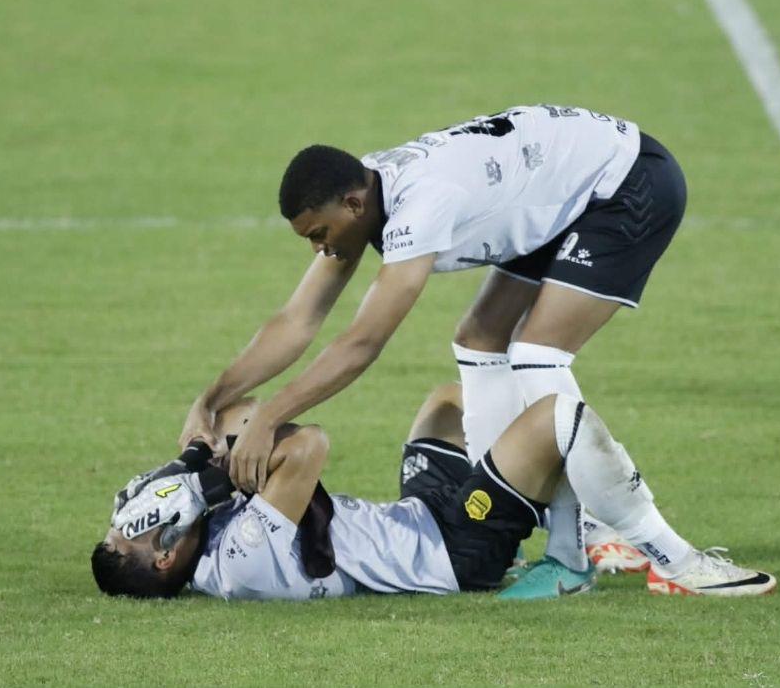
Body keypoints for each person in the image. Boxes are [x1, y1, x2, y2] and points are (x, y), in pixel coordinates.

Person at [180, 104, 689, 597]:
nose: (319, 249)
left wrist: (269, 418)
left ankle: (602, 552)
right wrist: (209, 400)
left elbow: (362, 343)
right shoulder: (365, 193)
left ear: (353, 206)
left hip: (624, 182)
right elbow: (297, 320)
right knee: (480, 338)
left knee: (538, 352)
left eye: (319, 234)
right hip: (558, 182)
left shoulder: (419, 206)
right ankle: (508, 521)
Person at [97, 385, 776, 601]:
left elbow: (236, 412)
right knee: (554, 414)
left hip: (418, 515)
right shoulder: (239, 561)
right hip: (453, 552)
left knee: (452, 400)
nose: (133, 517)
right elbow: (308, 446)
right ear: (164, 556)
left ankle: (564, 515)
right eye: (132, 531)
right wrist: (210, 477)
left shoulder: (206, 532)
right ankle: (661, 558)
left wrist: (194, 455)